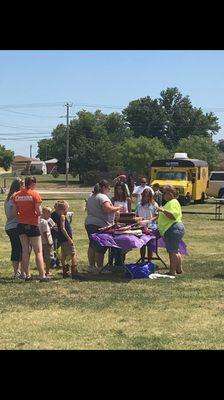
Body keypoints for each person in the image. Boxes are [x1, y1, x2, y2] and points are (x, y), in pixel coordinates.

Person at [11, 176, 48, 282]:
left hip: (21, 225)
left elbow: (13, 213)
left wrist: (21, 215)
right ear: (32, 183)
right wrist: (34, 214)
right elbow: (40, 212)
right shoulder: (34, 194)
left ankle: (26, 275)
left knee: (25, 251)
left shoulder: (16, 195)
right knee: (38, 251)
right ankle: (42, 276)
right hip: (32, 224)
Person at [85, 179, 123, 273]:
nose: (109, 190)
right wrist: (118, 208)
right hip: (99, 224)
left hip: (89, 223)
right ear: (103, 188)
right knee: (100, 246)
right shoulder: (102, 197)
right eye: (108, 188)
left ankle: (91, 266)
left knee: (92, 245)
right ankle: (100, 267)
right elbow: (108, 209)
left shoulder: (91, 196)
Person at [157, 185, 185, 275]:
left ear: (169, 193)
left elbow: (172, 216)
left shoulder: (172, 202)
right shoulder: (171, 202)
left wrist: (163, 210)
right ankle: (179, 269)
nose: (163, 195)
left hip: (172, 229)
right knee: (175, 250)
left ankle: (172, 271)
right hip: (174, 228)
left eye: (164, 193)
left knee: (172, 252)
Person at [54, 200, 79, 280]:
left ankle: (65, 271)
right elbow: (63, 228)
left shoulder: (59, 216)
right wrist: (69, 239)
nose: (67, 210)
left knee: (64, 254)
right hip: (65, 239)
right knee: (73, 254)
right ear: (63, 209)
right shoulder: (62, 216)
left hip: (61, 239)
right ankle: (74, 272)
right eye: (66, 209)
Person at [4, 178, 24, 279]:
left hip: (10, 226)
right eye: (22, 185)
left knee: (18, 248)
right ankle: (17, 272)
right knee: (17, 249)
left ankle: (19, 271)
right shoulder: (14, 197)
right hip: (14, 226)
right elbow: (12, 215)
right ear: (19, 185)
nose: (24, 187)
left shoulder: (8, 198)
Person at [111, 182, 132, 268]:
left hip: (125, 224)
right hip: (115, 224)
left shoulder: (128, 200)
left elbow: (130, 213)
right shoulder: (113, 200)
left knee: (123, 243)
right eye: (118, 189)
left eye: (121, 189)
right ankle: (113, 261)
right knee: (114, 244)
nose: (120, 191)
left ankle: (121, 261)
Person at [136, 188, 159, 262]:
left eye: (147, 196)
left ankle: (149, 261)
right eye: (144, 196)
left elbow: (157, 215)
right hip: (141, 227)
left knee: (150, 245)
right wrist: (139, 220)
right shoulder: (139, 205)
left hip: (151, 227)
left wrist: (150, 220)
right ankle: (142, 260)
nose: (146, 198)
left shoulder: (154, 204)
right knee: (142, 245)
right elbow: (136, 215)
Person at [39, 206, 55, 277]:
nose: (50, 215)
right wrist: (48, 241)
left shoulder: (39, 220)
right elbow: (45, 233)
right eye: (48, 213)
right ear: (43, 213)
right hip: (46, 242)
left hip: (40, 242)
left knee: (42, 257)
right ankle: (47, 271)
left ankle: (42, 271)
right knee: (48, 257)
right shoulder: (44, 222)